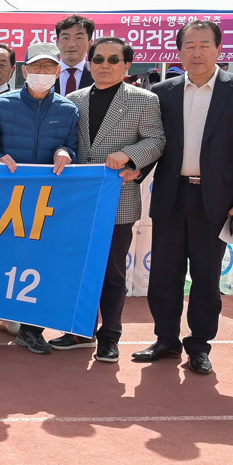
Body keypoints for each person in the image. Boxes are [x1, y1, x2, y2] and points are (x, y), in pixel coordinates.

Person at [133, 19, 233, 376]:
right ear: (179, 52)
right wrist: (135, 169)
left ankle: (200, 345)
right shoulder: (163, 92)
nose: (197, 52)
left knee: (206, 277)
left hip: (216, 200)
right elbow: (155, 143)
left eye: (205, 45)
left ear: (219, 49)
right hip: (171, 195)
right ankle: (165, 339)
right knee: (164, 273)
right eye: (189, 46)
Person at [48, 37, 164, 363]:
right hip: (77, 202)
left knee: (112, 273)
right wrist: (63, 153)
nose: (105, 65)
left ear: (127, 65)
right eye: (98, 59)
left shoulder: (144, 99)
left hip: (118, 199)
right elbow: (67, 142)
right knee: (78, 268)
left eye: (114, 60)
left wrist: (129, 155)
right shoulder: (74, 100)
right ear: (90, 63)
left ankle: (109, 336)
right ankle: (79, 331)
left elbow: (156, 140)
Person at [0, 42, 78, 356]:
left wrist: (65, 152)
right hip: (4, 201)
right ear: (24, 71)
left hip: (45, 203)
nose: (42, 72)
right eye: (36, 66)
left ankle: (32, 330)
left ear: (58, 72)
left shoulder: (68, 110)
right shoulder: (0, 105)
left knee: (39, 266)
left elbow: (72, 147)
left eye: (49, 67)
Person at [54, 14, 95, 96]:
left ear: (90, 43)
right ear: (57, 43)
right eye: (65, 38)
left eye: (79, 38)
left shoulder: (97, 75)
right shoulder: (47, 74)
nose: (71, 44)